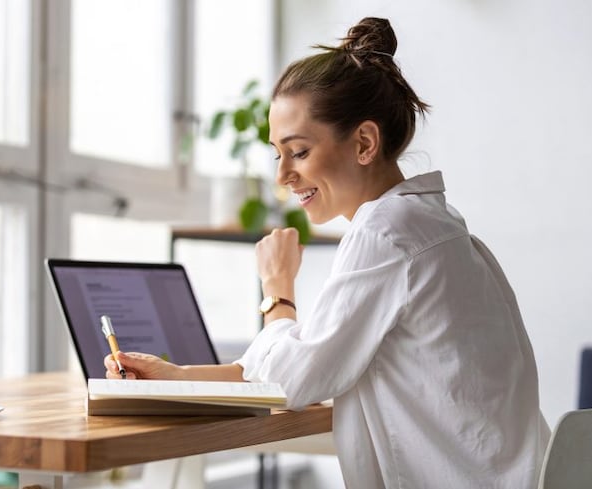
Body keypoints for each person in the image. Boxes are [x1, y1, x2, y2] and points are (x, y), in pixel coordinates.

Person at [104, 16, 550, 489]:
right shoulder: (435, 225)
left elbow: (291, 382)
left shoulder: (386, 233)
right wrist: (175, 376)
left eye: (298, 152)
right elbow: (305, 361)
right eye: (278, 154)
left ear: (363, 143)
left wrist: (277, 291)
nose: (283, 176)